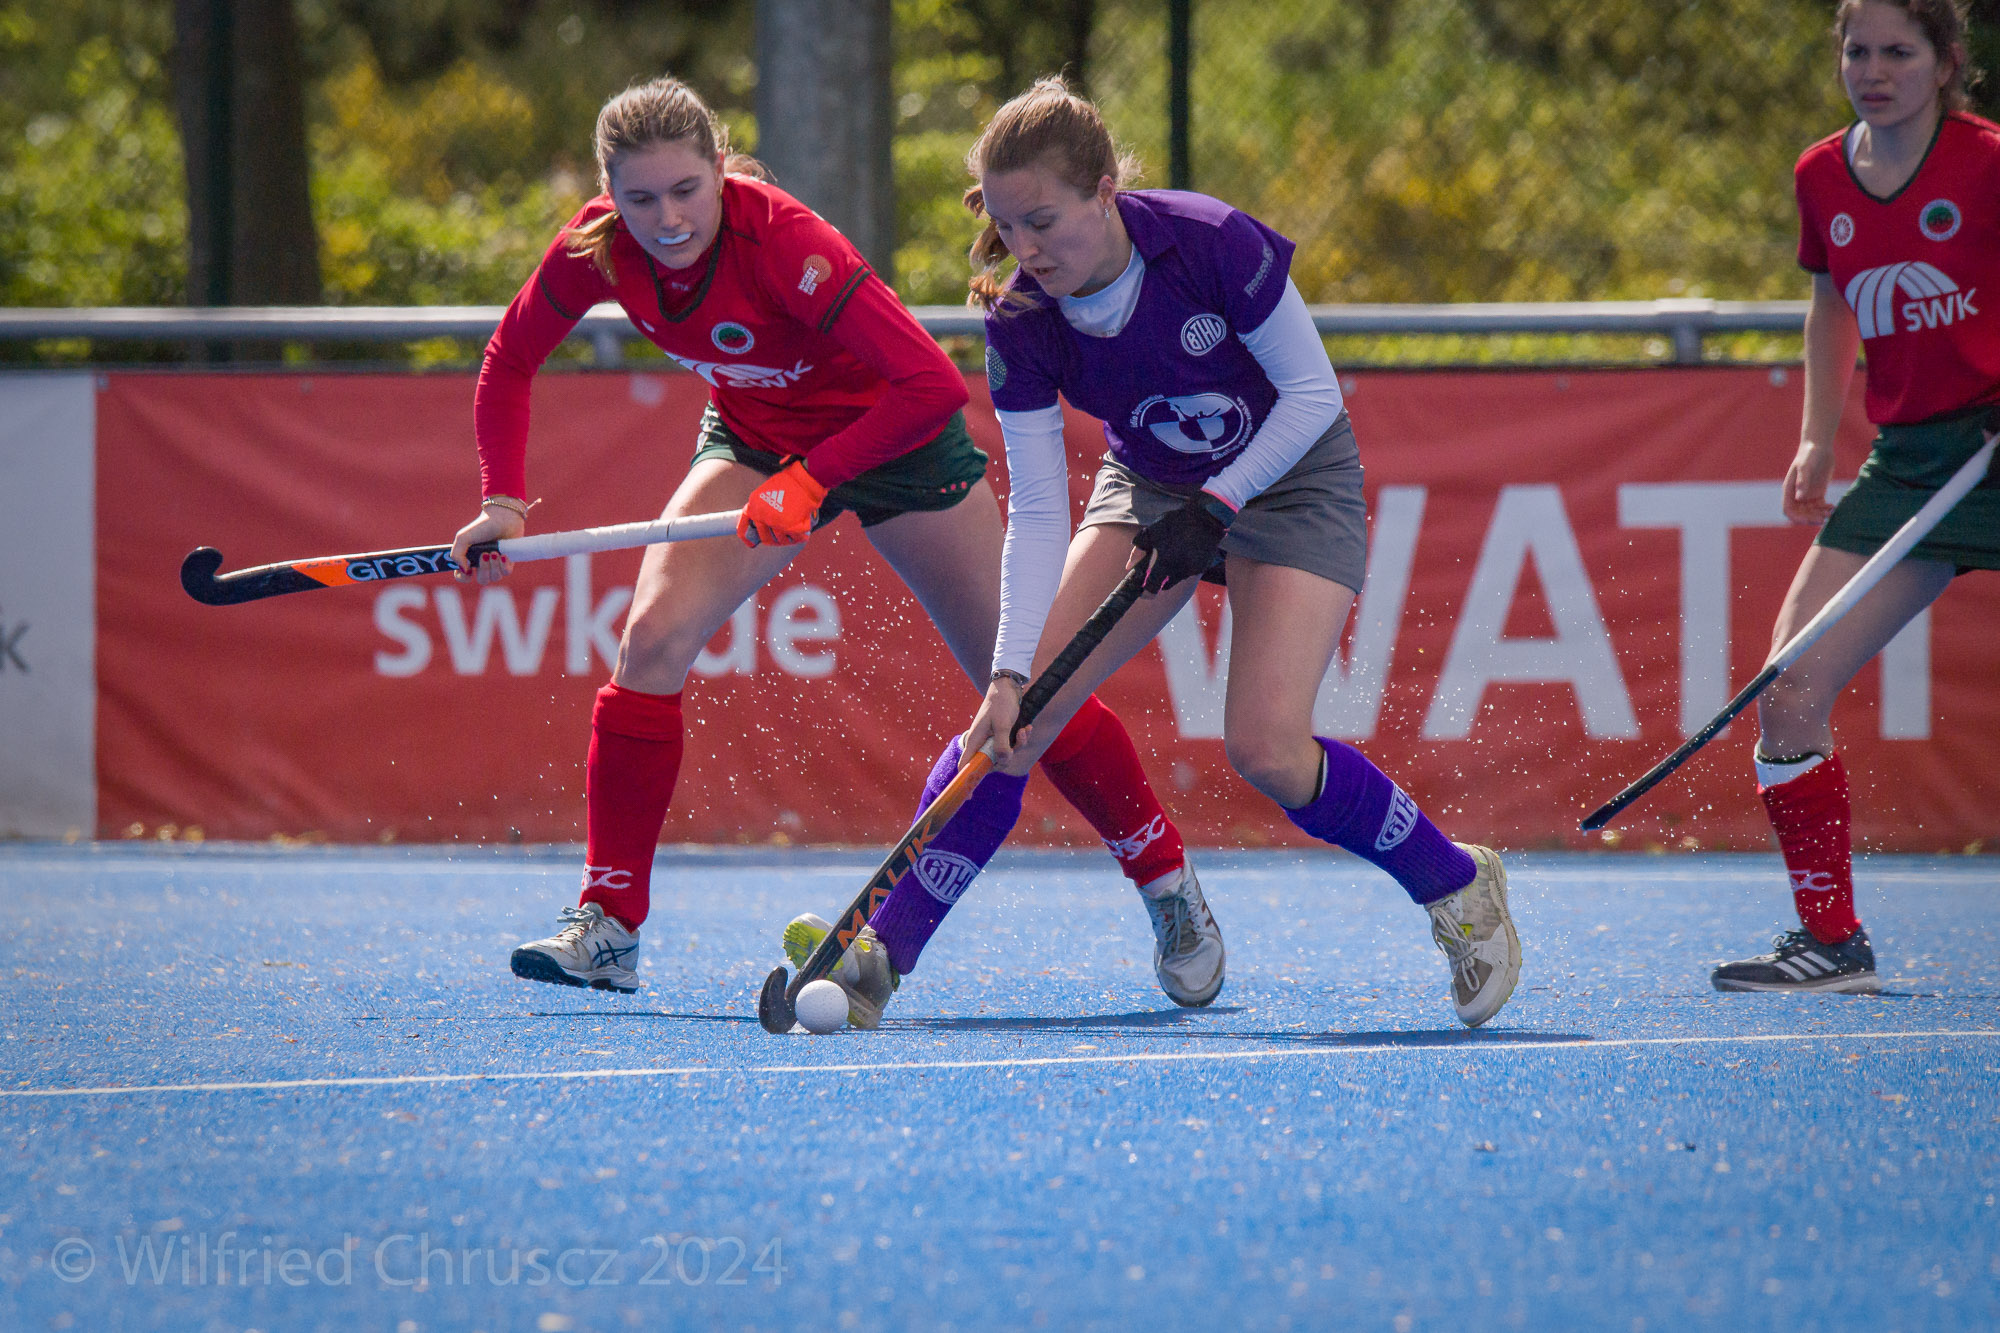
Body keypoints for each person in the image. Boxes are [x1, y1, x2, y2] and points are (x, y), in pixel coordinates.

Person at [451, 76, 1209, 998]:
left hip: (897, 442)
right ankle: (609, 923)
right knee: (649, 640)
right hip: (757, 440)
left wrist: (813, 480)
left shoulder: (783, 243)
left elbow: (930, 385)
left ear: (720, 168)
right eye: (640, 198)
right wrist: (503, 504)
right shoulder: (598, 245)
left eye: (686, 190)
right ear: (609, 192)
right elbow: (510, 357)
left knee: (1028, 689)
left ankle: (1164, 876)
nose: (667, 219)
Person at [804, 76, 1522, 1030]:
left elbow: (1313, 395)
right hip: (1150, 482)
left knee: (1266, 748)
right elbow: (1039, 511)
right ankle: (880, 958)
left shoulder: (1210, 241)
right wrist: (1010, 673)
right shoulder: (1022, 322)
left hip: (1291, 473)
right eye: (1008, 227)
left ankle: (1457, 883)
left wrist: (1220, 503)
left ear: (1106, 191)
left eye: (1043, 221)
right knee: (1019, 722)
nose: (1026, 249)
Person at [1712, 0, 1999, 993]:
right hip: (1912, 460)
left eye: (1898, 52)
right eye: (1857, 51)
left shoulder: (1987, 162)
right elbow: (1831, 300)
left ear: (1945, 62)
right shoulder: (1820, 175)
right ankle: (1831, 941)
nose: (1873, 71)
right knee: (1787, 686)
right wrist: (1812, 435)